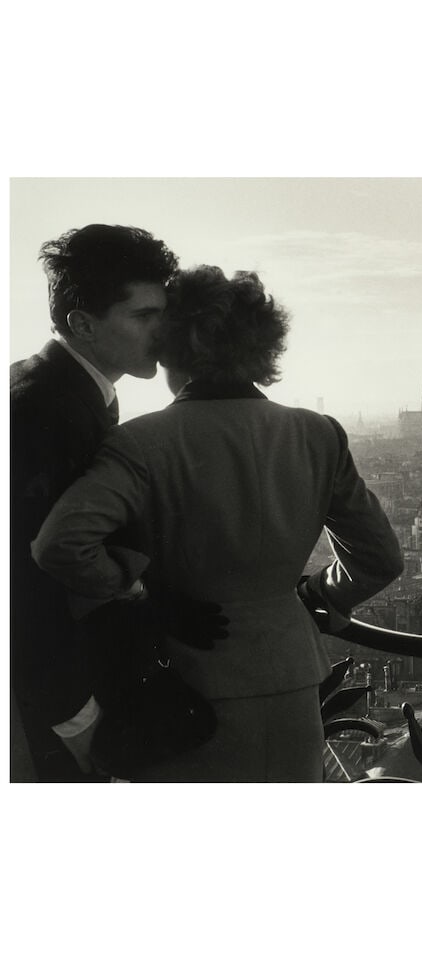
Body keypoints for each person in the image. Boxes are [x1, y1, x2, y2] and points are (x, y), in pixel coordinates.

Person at [32, 265, 404, 781]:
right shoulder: (317, 434)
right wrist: (316, 596)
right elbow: (379, 559)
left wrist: (134, 589)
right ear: (262, 346)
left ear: (172, 346)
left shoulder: (143, 442)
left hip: (185, 687)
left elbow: (61, 544)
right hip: (293, 677)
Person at [10, 224, 179, 781]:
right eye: (143, 315)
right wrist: (75, 714)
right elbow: (23, 579)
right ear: (82, 324)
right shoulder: (43, 411)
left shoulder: (48, 390)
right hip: (52, 700)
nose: (164, 330)